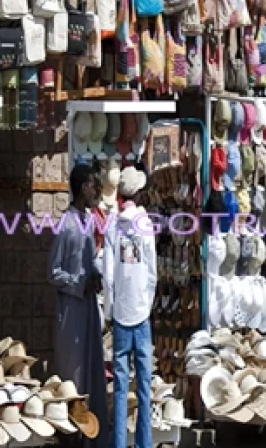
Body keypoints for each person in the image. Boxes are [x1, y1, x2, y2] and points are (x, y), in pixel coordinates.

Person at [47, 164, 109, 448]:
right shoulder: (66, 224)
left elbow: (89, 262)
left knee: (92, 371)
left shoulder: (88, 222)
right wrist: (78, 283)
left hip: (89, 310)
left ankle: (90, 435)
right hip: (72, 312)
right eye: (94, 185)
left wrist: (95, 277)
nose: (97, 191)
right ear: (83, 187)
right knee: (74, 374)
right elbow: (53, 272)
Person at [103, 166, 157, 448]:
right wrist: (147, 304)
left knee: (121, 387)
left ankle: (119, 443)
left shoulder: (113, 225)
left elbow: (108, 276)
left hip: (122, 313)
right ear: (138, 194)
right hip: (141, 312)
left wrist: (110, 311)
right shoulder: (145, 224)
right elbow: (152, 272)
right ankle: (144, 443)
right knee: (145, 386)